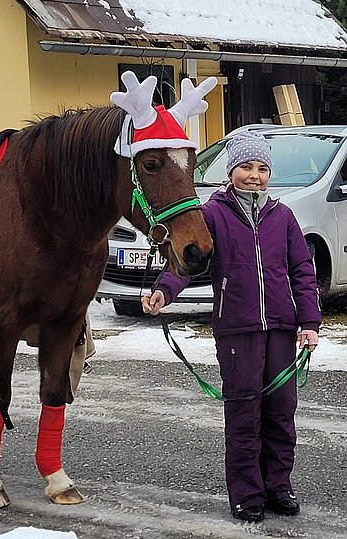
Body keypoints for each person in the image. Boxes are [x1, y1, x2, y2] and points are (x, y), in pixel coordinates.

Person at [142, 131, 321, 523]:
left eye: (260, 168)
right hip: (237, 331)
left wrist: (309, 322)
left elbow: (302, 273)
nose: (253, 175)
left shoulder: (283, 216)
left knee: (281, 412)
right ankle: (247, 494)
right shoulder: (213, 214)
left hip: (281, 329)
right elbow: (189, 260)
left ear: (268, 173)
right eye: (245, 167)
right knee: (244, 414)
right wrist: (164, 290)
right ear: (231, 170)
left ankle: (278, 486)